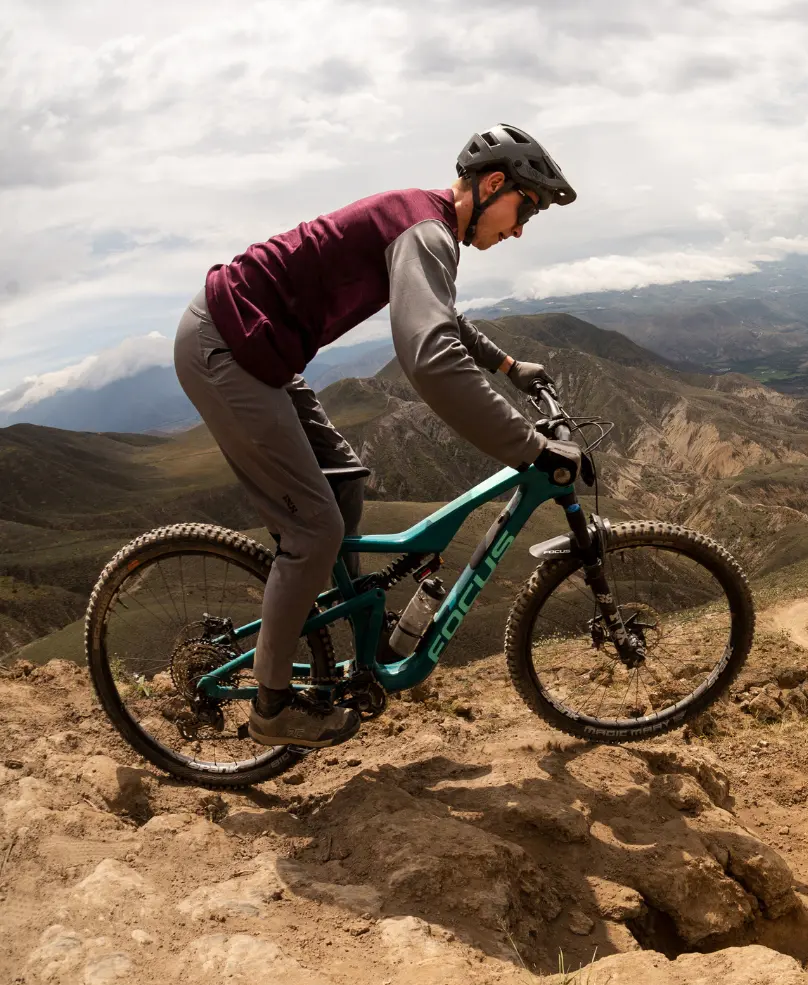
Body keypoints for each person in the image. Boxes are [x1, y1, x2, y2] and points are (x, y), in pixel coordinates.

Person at [173, 123, 582, 749]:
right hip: (226, 347)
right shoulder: (426, 229)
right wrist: (528, 445)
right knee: (316, 531)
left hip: (261, 353)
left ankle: (349, 641)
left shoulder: (427, 224)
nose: (521, 229)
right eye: (524, 209)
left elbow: (445, 316)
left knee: (345, 490)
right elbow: (432, 357)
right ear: (493, 184)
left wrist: (507, 367)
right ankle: (272, 707)